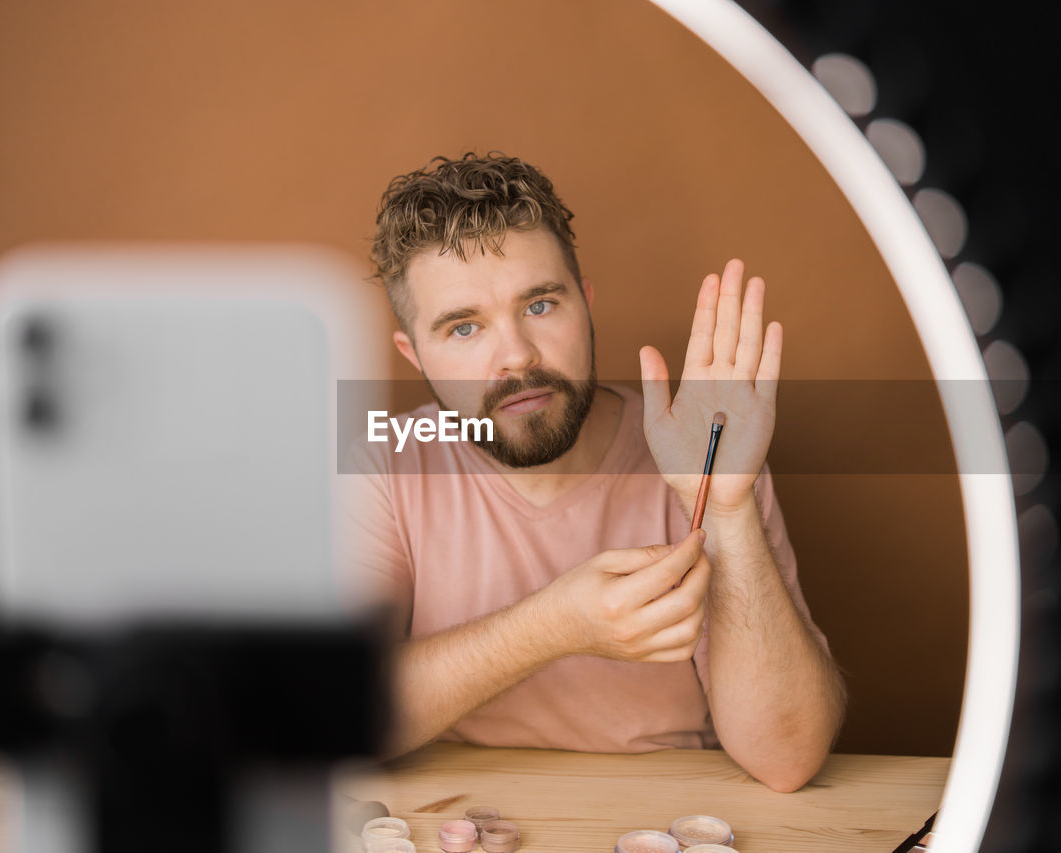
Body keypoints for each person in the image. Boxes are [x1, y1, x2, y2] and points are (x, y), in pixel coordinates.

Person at [341, 152, 845, 793]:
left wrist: (726, 506)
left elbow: (788, 756)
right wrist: (551, 626)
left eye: (541, 305)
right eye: (464, 327)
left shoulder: (701, 448)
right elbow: (335, 716)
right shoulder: (385, 465)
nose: (517, 356)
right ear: (416, 356)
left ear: (586, 302)